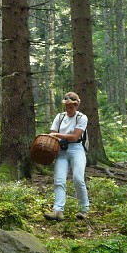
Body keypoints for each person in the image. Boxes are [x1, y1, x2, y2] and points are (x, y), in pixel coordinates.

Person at [44, 92, 89, 222]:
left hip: (77, 149)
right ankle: (58, 211)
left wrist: (58, 135)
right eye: (67, 106)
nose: (69, 109)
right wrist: (56, 136)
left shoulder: (81, 117)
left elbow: (75, 136)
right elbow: (52, 133)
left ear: (76, 105)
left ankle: (84, 210)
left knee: (78, 178)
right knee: (59, 180)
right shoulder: (60, 117)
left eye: (71, 106)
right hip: (61, 150)